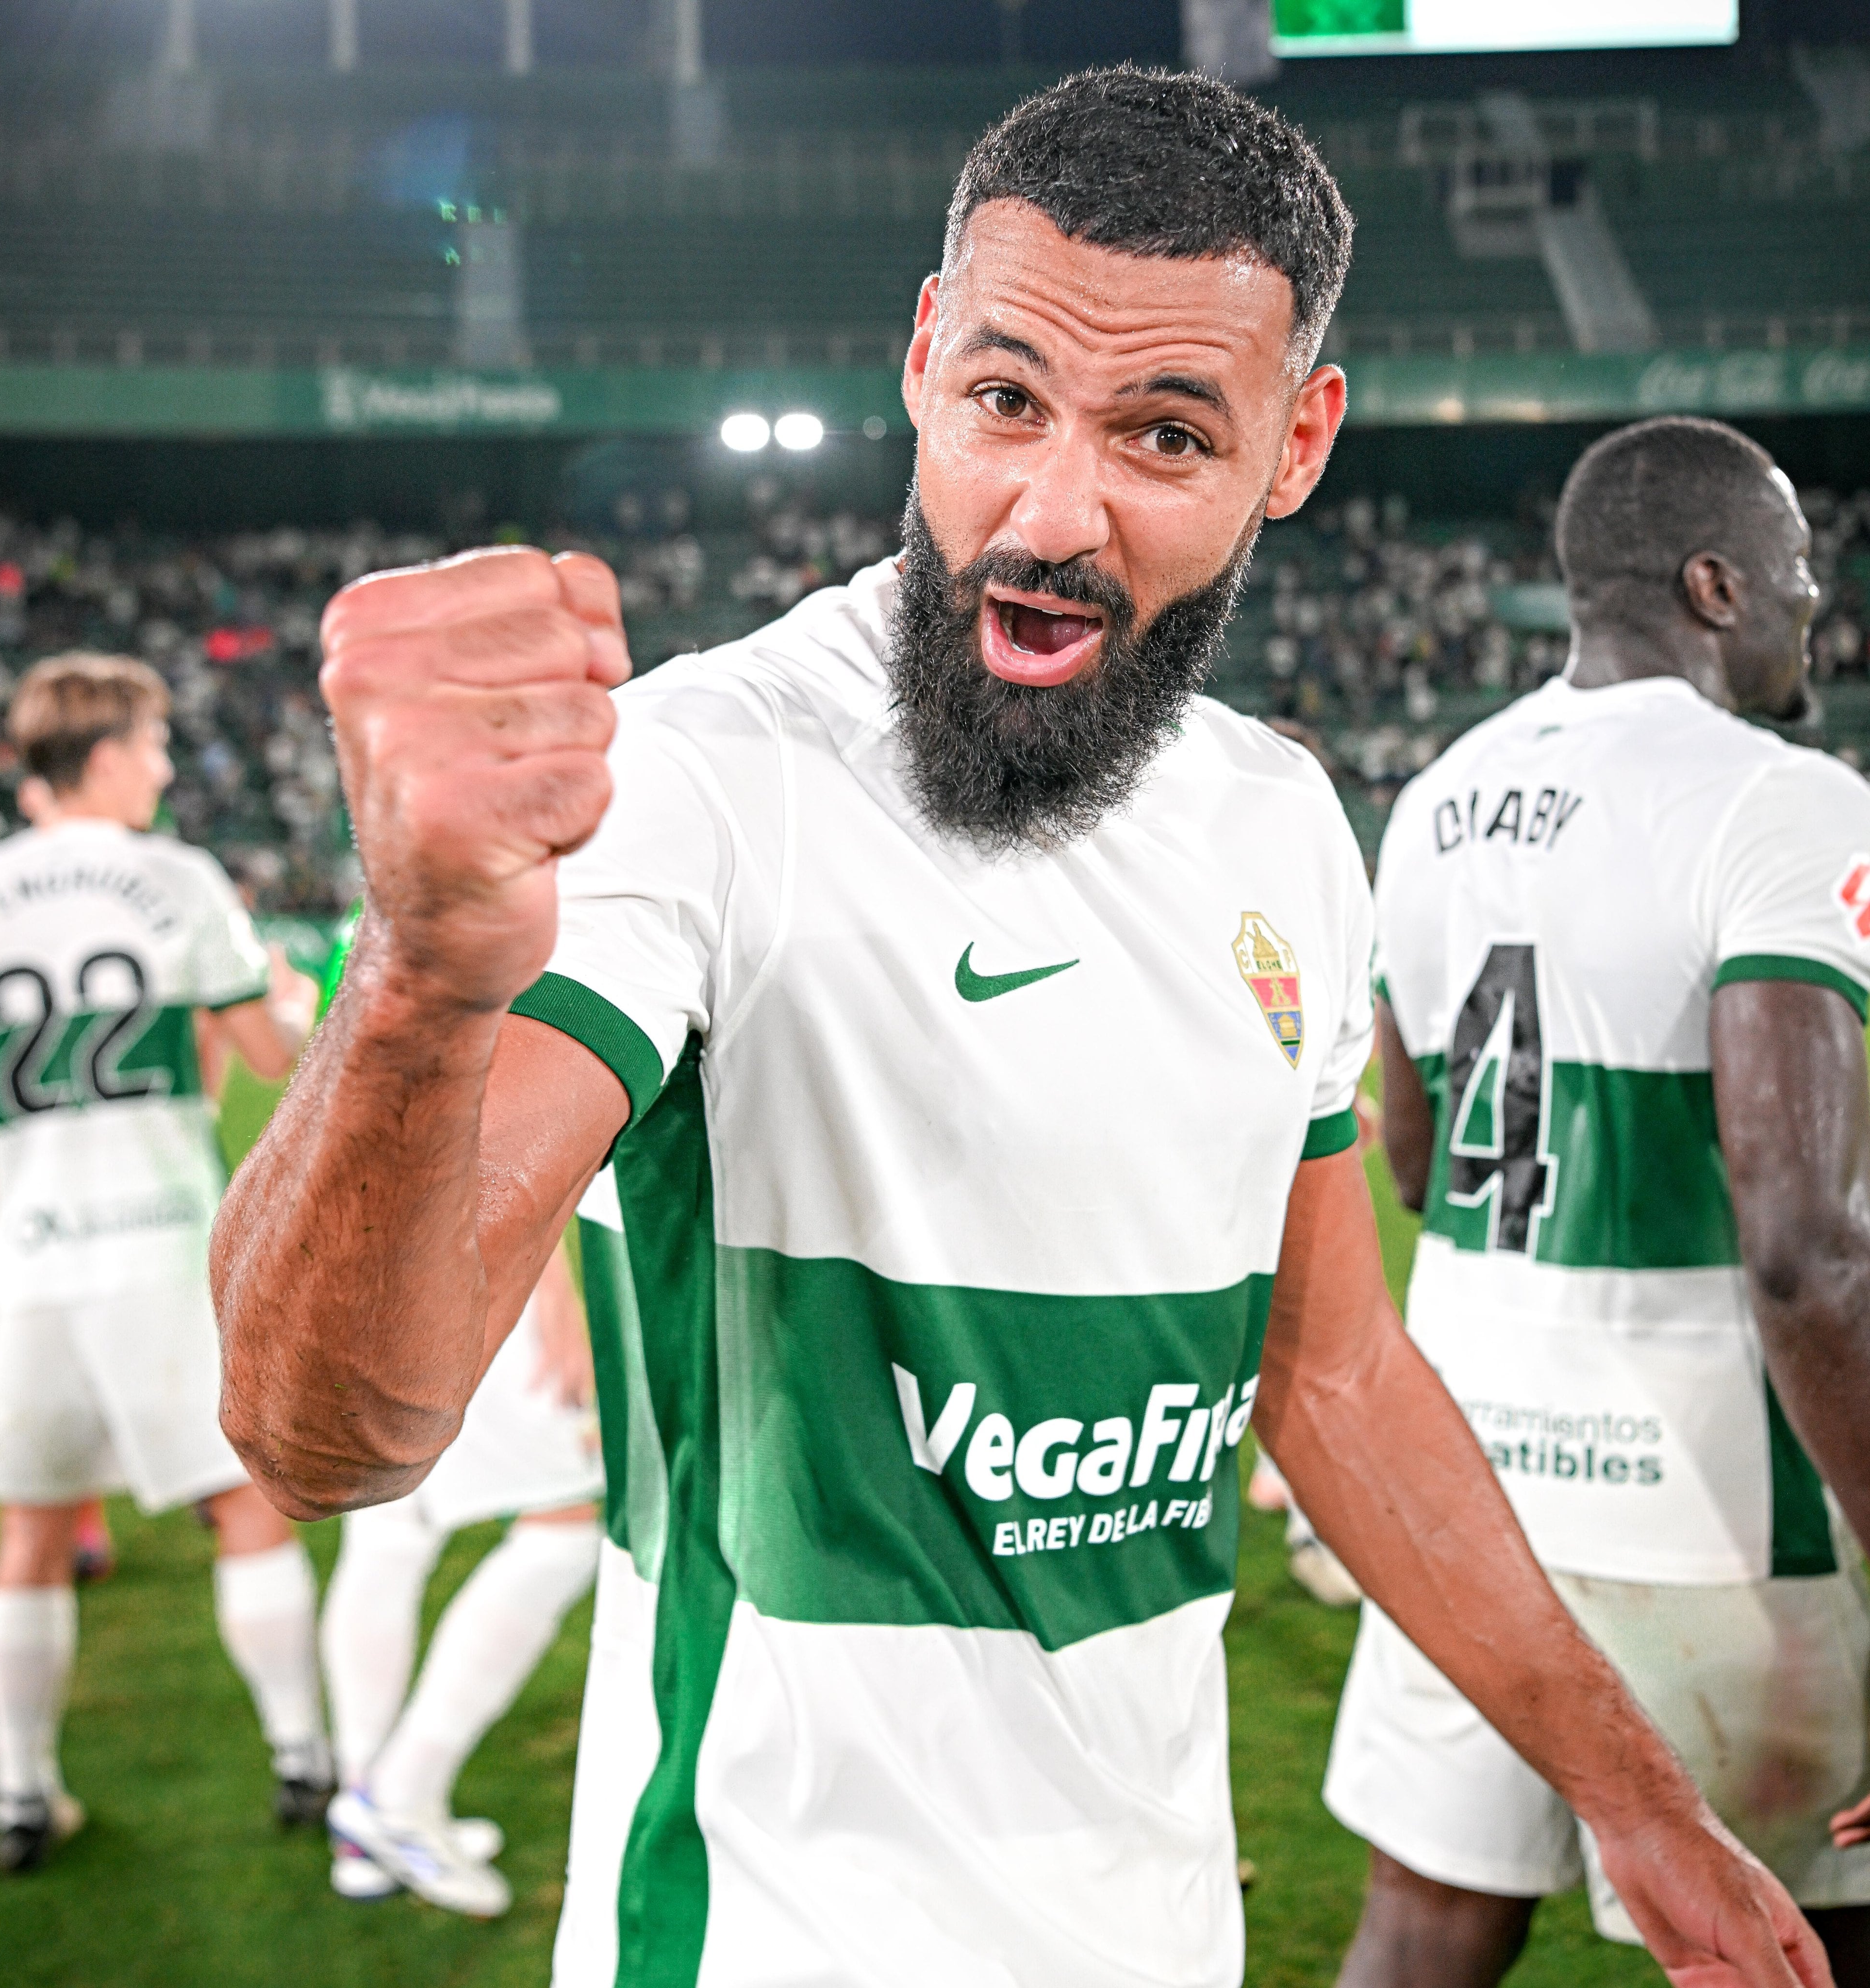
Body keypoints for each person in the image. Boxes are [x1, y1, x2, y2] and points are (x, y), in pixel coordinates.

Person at [215, 72, 1829, 1988]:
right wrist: (415, 987)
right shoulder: (710, 779)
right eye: (1003, 401)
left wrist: (1637, 1798)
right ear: (919, 357)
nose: (1050, 514)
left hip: (1150, 1931)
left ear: (1295, 442)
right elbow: (328, 1430)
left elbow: (1328, 1371)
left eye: (1161, 433)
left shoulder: (1273, 819)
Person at [1324, 415, 1870, 1985]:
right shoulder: (1785, 801)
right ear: (1711, 584)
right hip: (1712, 1506)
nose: (1809, 609)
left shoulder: (1431, 796)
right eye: (1791, 577)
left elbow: (1415, 1162)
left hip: (1469, 1477)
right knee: (1781, 1948)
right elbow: (1799, 1244)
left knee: (1423, 1926)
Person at [0, 652, 329, 1872]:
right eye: (151, 744)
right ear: (100, 754)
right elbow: (263, 1049)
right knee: (242, 1504)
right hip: (161, 1239)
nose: (167, 765)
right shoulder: (174, 875)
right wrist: (294, 997)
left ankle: (21, 1795)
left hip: (36, 1256)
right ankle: (302, 1755)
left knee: (29, 1530)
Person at [315, 908, 604, 1919]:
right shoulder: (479, 904)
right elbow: (503, 1125)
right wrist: (557, 1304)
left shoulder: (383, 902)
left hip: (347, 1245)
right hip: (450, 1259)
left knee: (385, 1534)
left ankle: (361, 1813)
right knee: (565, 1522)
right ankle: (402, 1789)